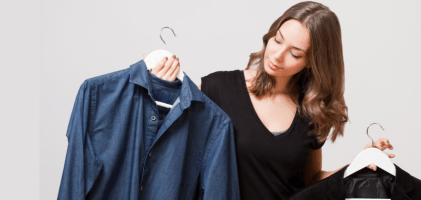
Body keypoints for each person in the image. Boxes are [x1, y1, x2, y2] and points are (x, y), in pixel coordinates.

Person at [146, 1, 394, 199]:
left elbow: (311, 180)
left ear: (313, 63)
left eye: (295, 53)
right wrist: (156, 87)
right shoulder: (217, 88)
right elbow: (164, 148)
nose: (277, 55)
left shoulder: (311, 112)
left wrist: (359, 165)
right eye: (277, 39)